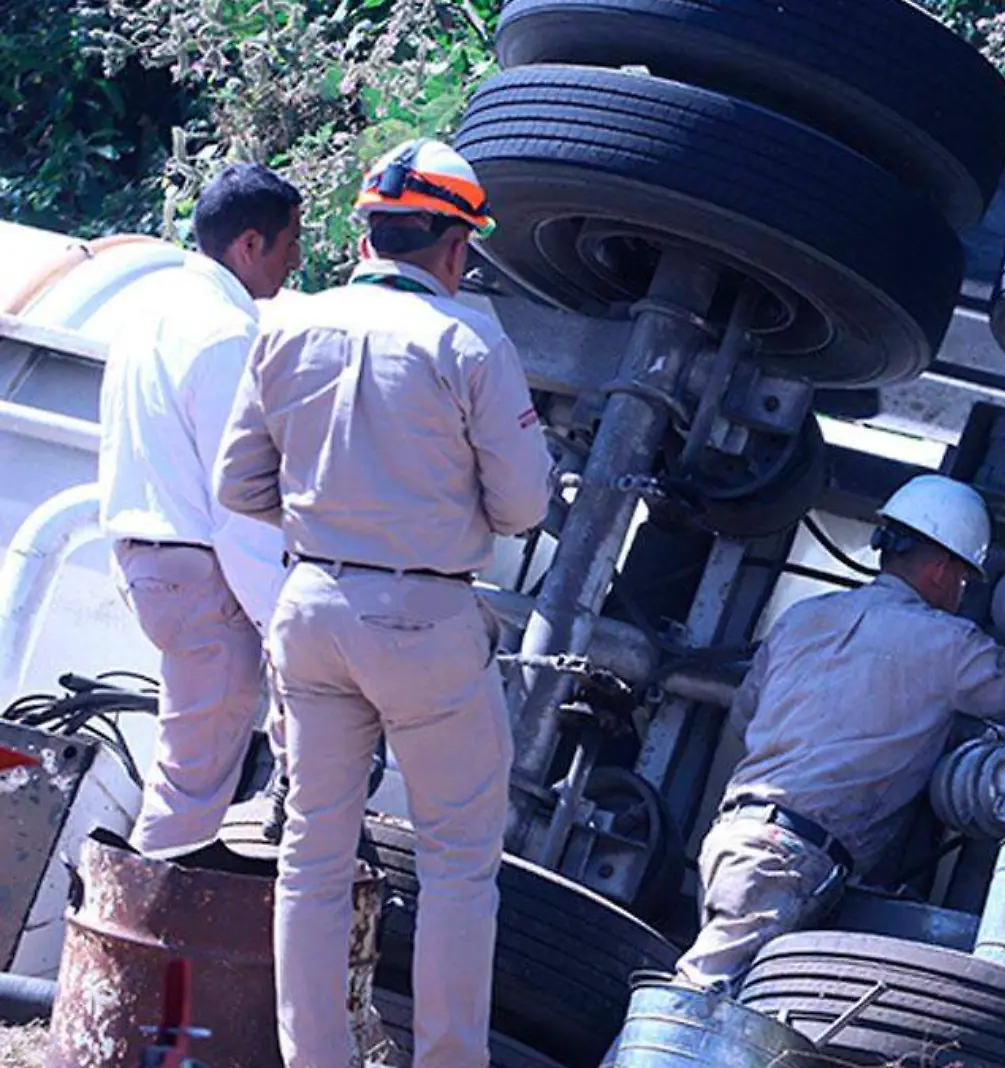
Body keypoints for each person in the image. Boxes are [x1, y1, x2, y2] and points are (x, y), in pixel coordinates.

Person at [215, 138, 552, 1068]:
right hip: (424, 621)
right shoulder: (468, 339)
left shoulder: (287, 326)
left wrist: (339, 517)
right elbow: (524, 506)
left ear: (364, 234)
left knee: (311, 857)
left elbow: (240, 485)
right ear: (457, 249)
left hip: (311, 604)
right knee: (456, 868)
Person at [674, 474, 1005, 988]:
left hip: (737, 836)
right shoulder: (947, 643)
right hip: (789, 856)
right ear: (938, 569)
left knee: (747, 1003)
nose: (961, 592)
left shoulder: (804, 617)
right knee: (699, 995)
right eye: (963, 579)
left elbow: (746, 717)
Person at [97, 161, 302, 862]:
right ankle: (125, 947)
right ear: (250, 243)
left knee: (189, 772)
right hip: (203, 571)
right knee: (189, 797)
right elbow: (238, 503)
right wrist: (285, 622)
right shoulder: (224, 334)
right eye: (290, 242)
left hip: (147, 558)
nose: (296, 261)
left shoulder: (153, 308)